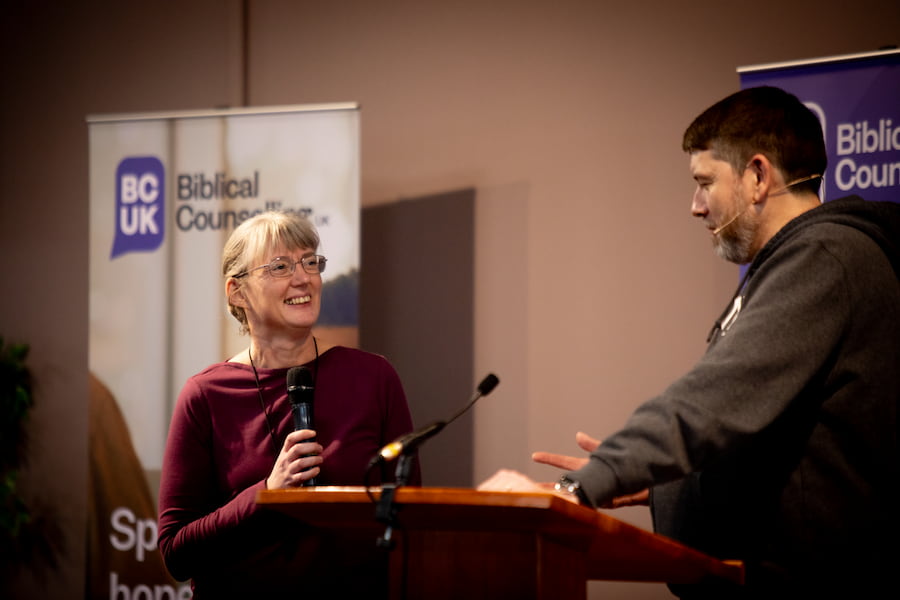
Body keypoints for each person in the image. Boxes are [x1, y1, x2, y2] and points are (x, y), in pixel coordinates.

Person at [533, 86, 900, 597]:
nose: (695, 206)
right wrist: (662, 486)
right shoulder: (804, 261)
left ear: (756, 176)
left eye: (704, 183)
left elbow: (715, 400)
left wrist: (582, 487)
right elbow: (778, 441)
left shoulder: (826, 259)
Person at [157, 210, 420, 597]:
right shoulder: (205, 396)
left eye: (310, 262)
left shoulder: (373, 378)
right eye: (280, 266)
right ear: (237, 291)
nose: (303, 278)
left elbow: (411, 518)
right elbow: (177, 554)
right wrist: (267, 493)